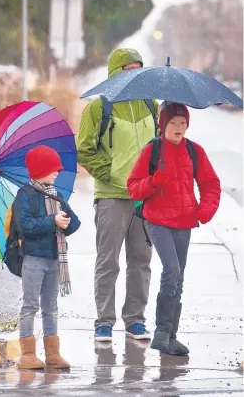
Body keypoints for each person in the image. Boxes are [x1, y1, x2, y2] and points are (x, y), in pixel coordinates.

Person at [77, 48, 159, 342]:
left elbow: (159, 147)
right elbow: (84, 150)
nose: (134, 73)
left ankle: (136, 320)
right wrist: (111, 173)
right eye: (128, 68)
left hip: (144, 199)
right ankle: (104, 322)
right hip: (112, 196)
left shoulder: (152, 105)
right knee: (108, 260)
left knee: (141, 260)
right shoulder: (99, 108)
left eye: (138, 68)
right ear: (115, 71)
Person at [127, 102, 221, 355]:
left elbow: (211, 184)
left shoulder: (194, 150)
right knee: (171, 269)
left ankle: (170, 337)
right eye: (173, 123)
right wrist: (153, 181)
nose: (179, 128)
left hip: (184, 221)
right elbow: (133, 187)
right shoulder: (153, 150)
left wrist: (205, 210)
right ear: (163, 125)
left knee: (178, 278)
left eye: (183, 124)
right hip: (158, 220)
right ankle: (160, 332)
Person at [10, 145, 81, 369]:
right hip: (33, 258)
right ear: (40, 169)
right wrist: (53, 221)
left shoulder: (56, 195)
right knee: (30, 305)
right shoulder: (25, 195)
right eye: (53, 168)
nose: (58, 172)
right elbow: (25, 226)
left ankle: (53, 354)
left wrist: (66, 217)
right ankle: (28, 354)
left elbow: (74, 225)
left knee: (51, 306)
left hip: (53, 259)